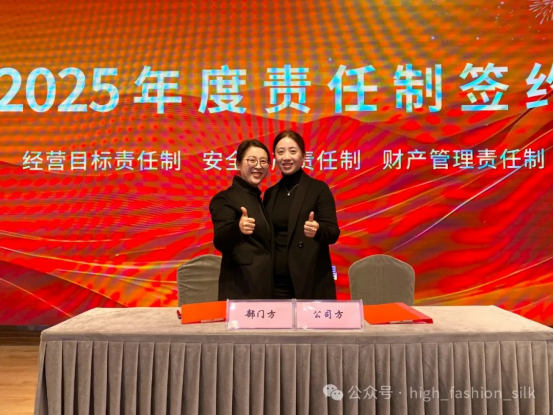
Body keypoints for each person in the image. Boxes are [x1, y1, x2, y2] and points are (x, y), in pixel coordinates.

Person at [264, 131, 340, 300]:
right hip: (277, 284)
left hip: (309, 280)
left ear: (303, 156)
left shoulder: (319, 189)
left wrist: (318, 230)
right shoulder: (270, 193)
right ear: (274, 157)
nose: (286, 157)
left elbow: (333, 233)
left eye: (293, 151)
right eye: (280, 152)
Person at [209, 140, 273, 300]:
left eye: (263, 161)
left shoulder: (260, 198)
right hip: (240, 292)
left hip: (265, 290)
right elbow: (220, 239)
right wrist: (238, 229)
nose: (258, 166)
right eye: (251, 160)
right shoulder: (224, 198)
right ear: (238, 164)